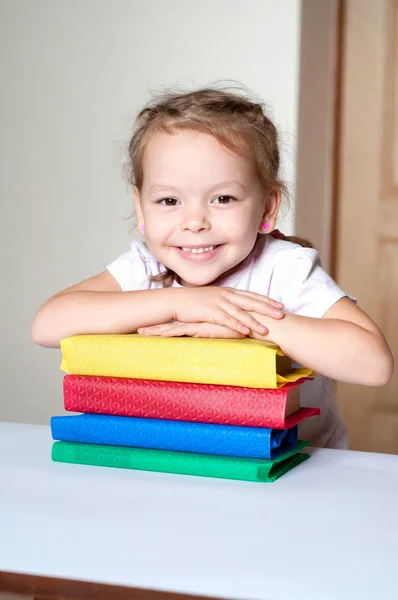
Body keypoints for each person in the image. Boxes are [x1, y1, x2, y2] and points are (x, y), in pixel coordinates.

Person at [31, 85, 394, 449]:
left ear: (267, 208)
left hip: (298, 470)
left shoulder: (283, 268)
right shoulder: (146, 267)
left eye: (223, 198)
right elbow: (47, 325)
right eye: (169, 200)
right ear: (141, 209)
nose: (194, 222)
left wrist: (244, 323)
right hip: (194, 460)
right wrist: (180, 303)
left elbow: (373, 365)